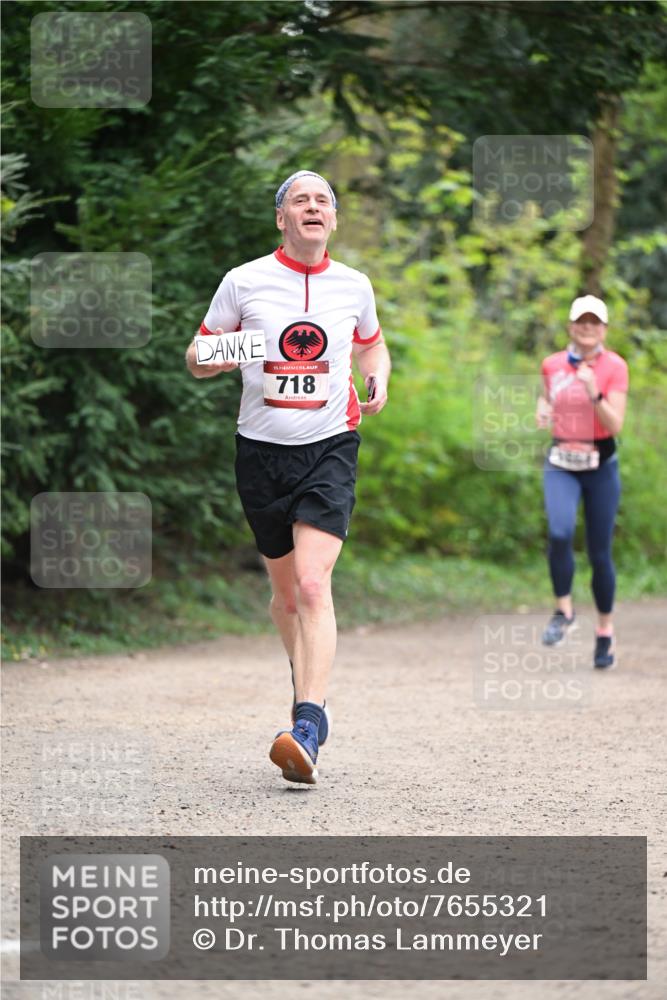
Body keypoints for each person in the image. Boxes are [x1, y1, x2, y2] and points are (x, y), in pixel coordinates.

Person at [185, 170, 390, 784]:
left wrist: (377, 377)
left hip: (330, 446)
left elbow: (371, 345)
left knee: (311, 583)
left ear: (334, 219)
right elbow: (196, 356)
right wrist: (238, 349)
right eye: (300, 200)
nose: (313, 207)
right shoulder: (244, 281)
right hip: (261, 453)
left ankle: (307, 724)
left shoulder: (354, 285)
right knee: (285, 598)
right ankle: (310, 691)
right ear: (282, 218)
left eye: (323, 200)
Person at [536, 294, 628, 669]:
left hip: (600, 465)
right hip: (561, 460)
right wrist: (542, 410)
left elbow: (615, 424)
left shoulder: (615, 367)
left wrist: (594, 392)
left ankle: (605, 631)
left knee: (599, 552)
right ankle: (564, 611)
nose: (587, 328)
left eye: (595, 322)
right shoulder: (552, 364)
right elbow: (547, 400)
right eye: (581, 321)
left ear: (604, 329)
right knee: (559, 533)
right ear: (571, 326)